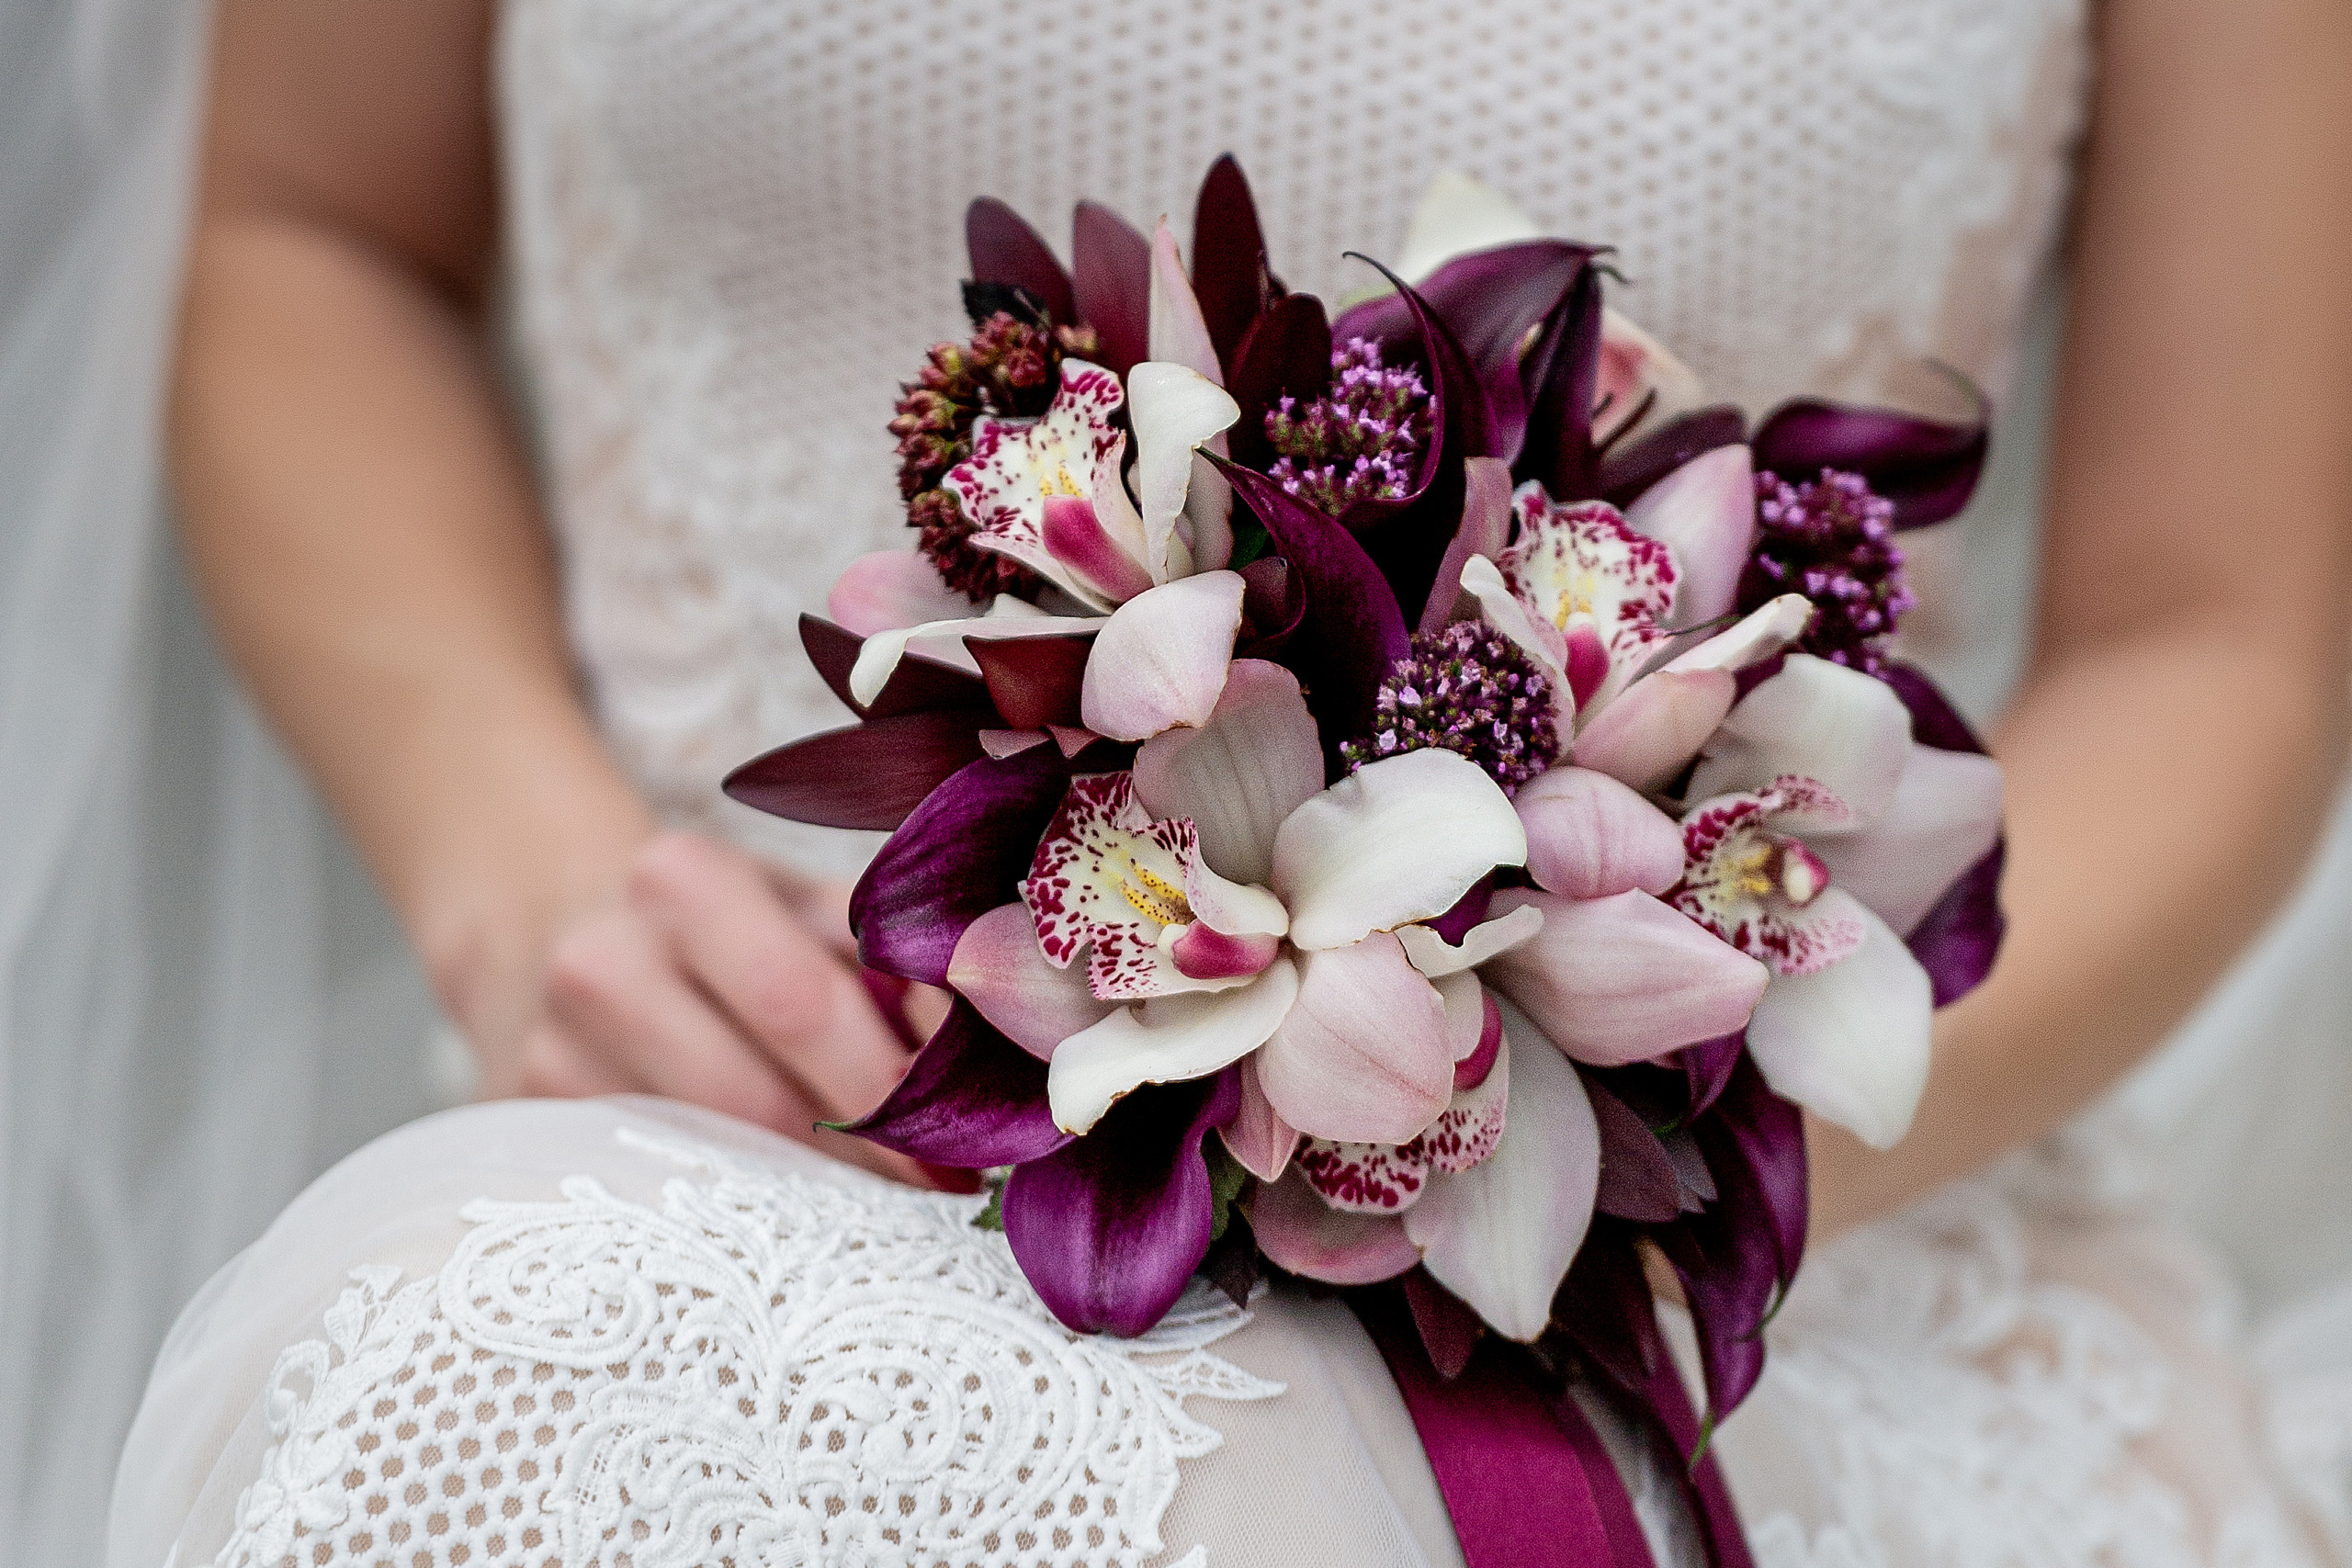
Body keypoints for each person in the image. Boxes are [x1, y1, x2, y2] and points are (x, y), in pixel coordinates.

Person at [108, 0, 2352, 1562]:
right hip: (744, 1130)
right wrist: (531, 876)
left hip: (1752, 1273)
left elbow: (2212, 628)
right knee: (472, 1396)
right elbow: (308, 231)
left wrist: (1634, 1149)